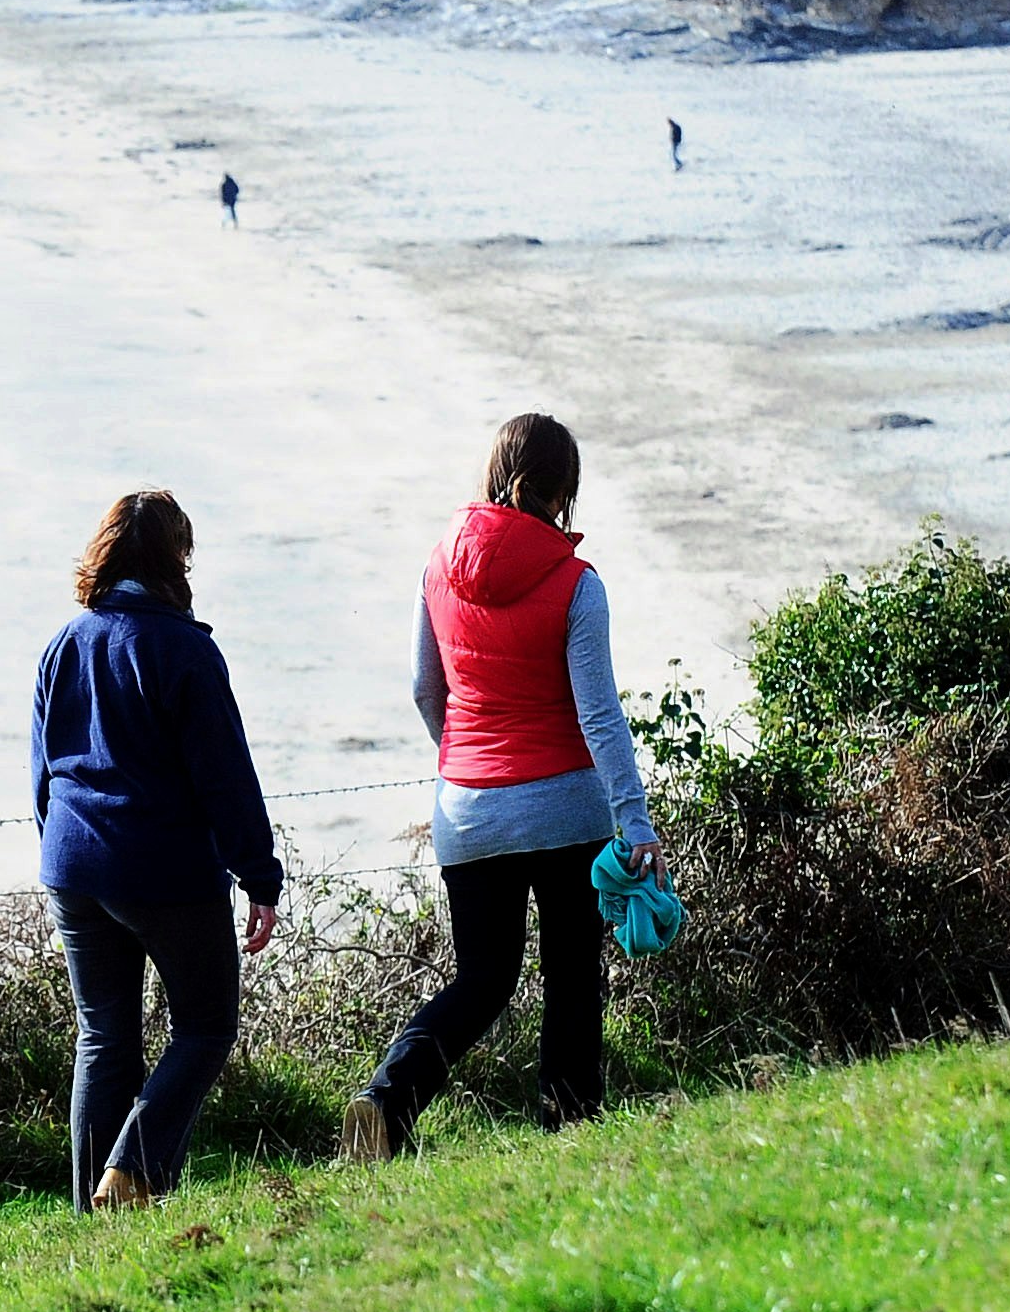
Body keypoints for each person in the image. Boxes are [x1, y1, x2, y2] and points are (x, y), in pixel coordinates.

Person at [343, 414, 658, 1162]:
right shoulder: (577, 584)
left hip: (468, 811)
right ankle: (571, 1126)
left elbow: (426, 690)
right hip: (564, 809)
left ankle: (387, 1102)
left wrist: (469, 765)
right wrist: (634, 820)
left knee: (483, 980)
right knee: (572, 972)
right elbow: (599, 714)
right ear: (562, 492)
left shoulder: (435, 569)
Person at [33, 490, 283, 1211]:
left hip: (73, 865)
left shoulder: (64, 644)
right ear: (177, 559)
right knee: (206, 1027)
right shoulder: (184, 649)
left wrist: (64, 854)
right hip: (163, 868)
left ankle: (92, 1212)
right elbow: (225, 778)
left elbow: (42, 771)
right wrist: (259, 876)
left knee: (104, 1038)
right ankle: (134, 1171)